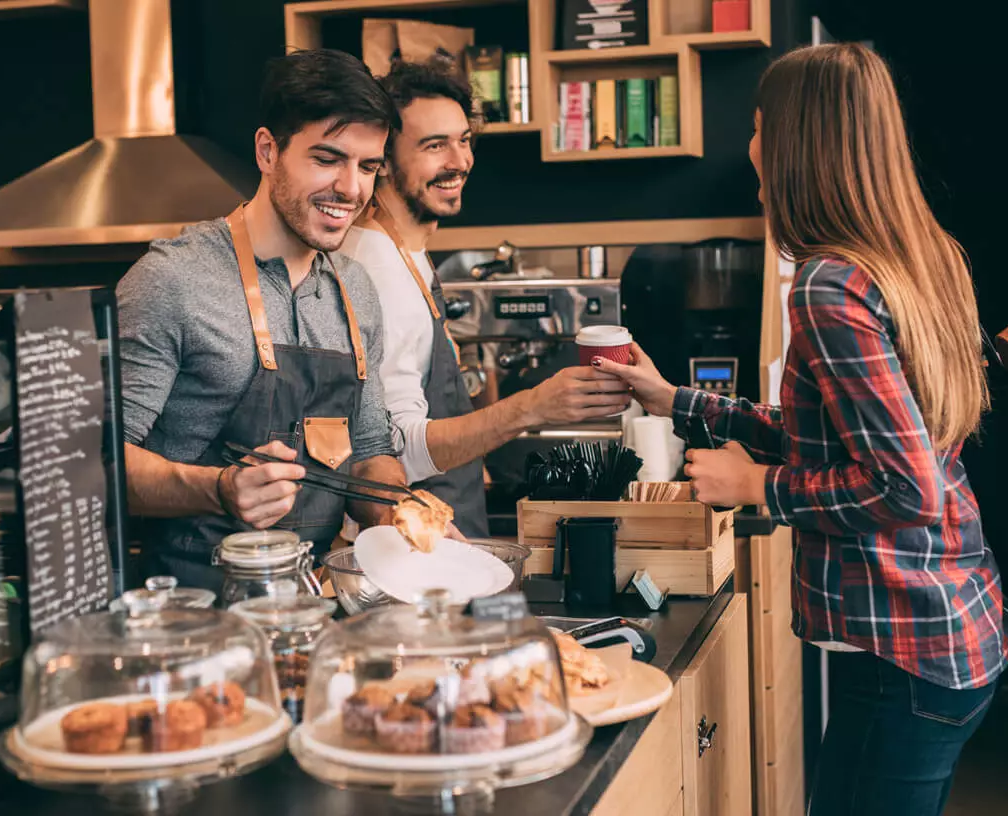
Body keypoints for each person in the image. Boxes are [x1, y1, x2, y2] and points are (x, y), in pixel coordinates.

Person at [596, 43, 1008, 816]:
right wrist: (672, 399)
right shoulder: (919, 259)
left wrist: (756, 486)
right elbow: (845, 435)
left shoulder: (826, 286)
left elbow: (904, 486)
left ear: (795, 144)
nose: (749, 146)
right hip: (951, 624)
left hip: (901, 653)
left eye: (757, 127)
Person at [116, 49, 408, 590]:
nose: (351, 189)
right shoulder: (172, 279)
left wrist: (407, 523)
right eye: (327, 159)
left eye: (368, 167)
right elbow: (96, 468)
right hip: (192, 611)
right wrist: (220, 488)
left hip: (311, 603)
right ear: (268, 150)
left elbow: (370, 454)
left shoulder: (354, 290)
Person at [339, 61, 632, 536]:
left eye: (464, 140)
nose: (459, 161)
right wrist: (535, 405)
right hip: (412, 547)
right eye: (434, 146)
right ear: (384, 162)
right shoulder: (377, 266)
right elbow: (397, 449)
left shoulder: (406, 252)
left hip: (439, 533)